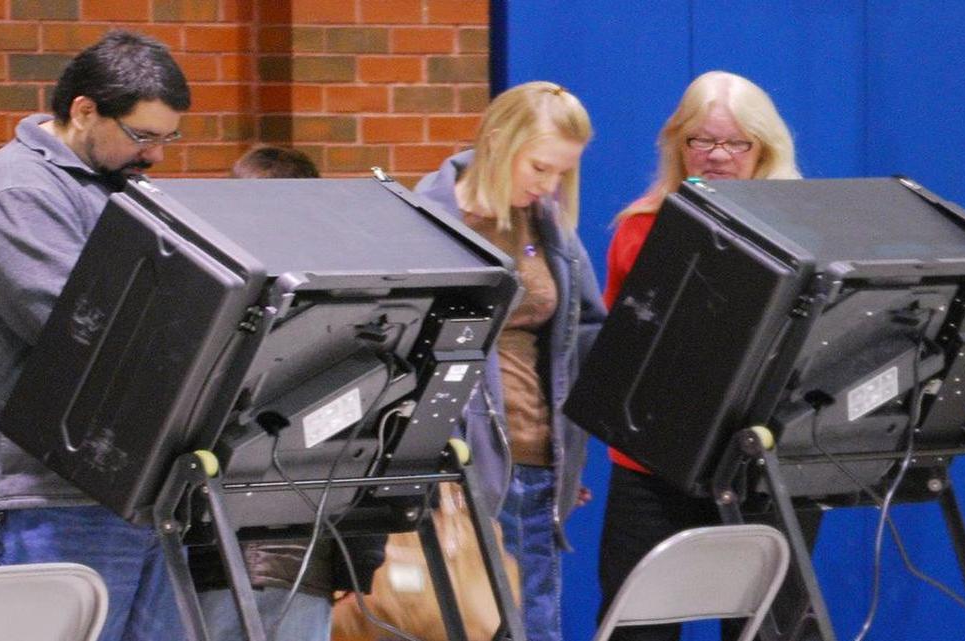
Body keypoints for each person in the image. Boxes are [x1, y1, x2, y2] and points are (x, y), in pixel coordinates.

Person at [0, 30, 191, 640]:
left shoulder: (124, 186)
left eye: (169, 138)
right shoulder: (15, 192)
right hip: (48, 498)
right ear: (84, 110)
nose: (157, 155)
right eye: (143, 135)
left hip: (139, 493)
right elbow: (84, 333)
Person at [597, 70, 802, 641]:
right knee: (637, 630)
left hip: (763, 462)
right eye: (700, 141)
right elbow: (624, 352)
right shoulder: (640, 229)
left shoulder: (803, 231)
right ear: (677, 144)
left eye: (735, 143)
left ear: (764, 149)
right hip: (654, 465)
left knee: (772, 629)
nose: (716, 156)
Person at [414, 81, 607, 641]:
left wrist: (571, 449)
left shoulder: (549, 229)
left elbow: (584, 335)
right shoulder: (428, 219)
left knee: (534, 625)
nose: (550, 186)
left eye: (562, 174)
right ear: (498, 141)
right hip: (457, 473)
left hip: (538, 467)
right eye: (540, 168)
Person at [189, 144, 383, 641]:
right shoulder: (347, 306)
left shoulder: (213, 298)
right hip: (289, 553)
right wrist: (357, 561)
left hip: (228, 548)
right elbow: (369, 431)